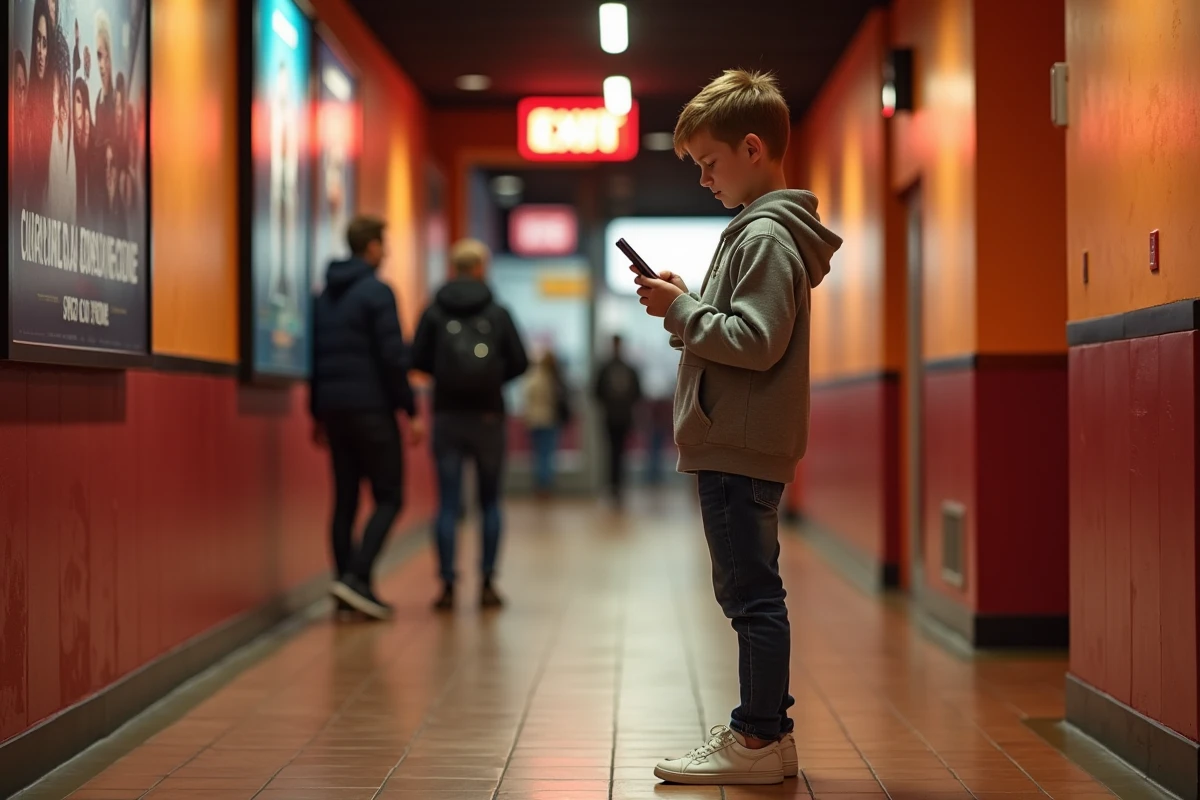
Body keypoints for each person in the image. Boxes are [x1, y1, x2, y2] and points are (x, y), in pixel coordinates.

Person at [632, 69, 842, 786]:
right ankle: (770, 735)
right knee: (754, 591)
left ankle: (753, 740)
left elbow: (755, 341)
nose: (704, 180)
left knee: (750, 597)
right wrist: (687, 302)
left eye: (709, 163)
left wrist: (681, 311)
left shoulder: (766, 238)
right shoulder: (762, 234)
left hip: (738, 445)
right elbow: (744, 329)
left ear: (752, 148)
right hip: (743, 438)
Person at [310, 214, 424, 621]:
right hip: (372, 409)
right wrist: (410, 409)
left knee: (345, 500)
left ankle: (348, 588)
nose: (386, 252)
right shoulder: (377, 293)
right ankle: (356, 580)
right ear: (372, 247)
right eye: (383, 244)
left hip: (334, 411)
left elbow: (316, 359)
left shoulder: (323, 297)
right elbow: (393, 357)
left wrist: (317, 414)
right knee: (390, 497)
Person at [413, 238, 528, 612]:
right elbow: (521, 361)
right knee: (489, 502)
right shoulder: (498, 312)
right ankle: (488, 583)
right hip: (488, 416)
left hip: (446, 414)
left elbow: (417, 358)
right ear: (480, 268)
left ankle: (447, 585)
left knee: (448, 503)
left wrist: (447, 379)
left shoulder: (434, 311)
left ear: (454, 267)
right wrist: (491, 381)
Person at [592, 335, 642, 506]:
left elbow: (637, 392)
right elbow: (596, 391)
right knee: (611, 452)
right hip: (610, 417)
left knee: (621, 452)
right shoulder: (605, 368)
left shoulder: (628, 368)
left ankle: (620, 485)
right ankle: (612, 485)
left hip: (624, 417)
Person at [522, 350, 566, 498]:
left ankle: (540, 484)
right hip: (548, 418)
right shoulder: (553, 379)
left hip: (535, 420)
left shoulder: (533, 377)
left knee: (538, 454)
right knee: (546, 454)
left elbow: (527, 398)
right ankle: (545, 485)